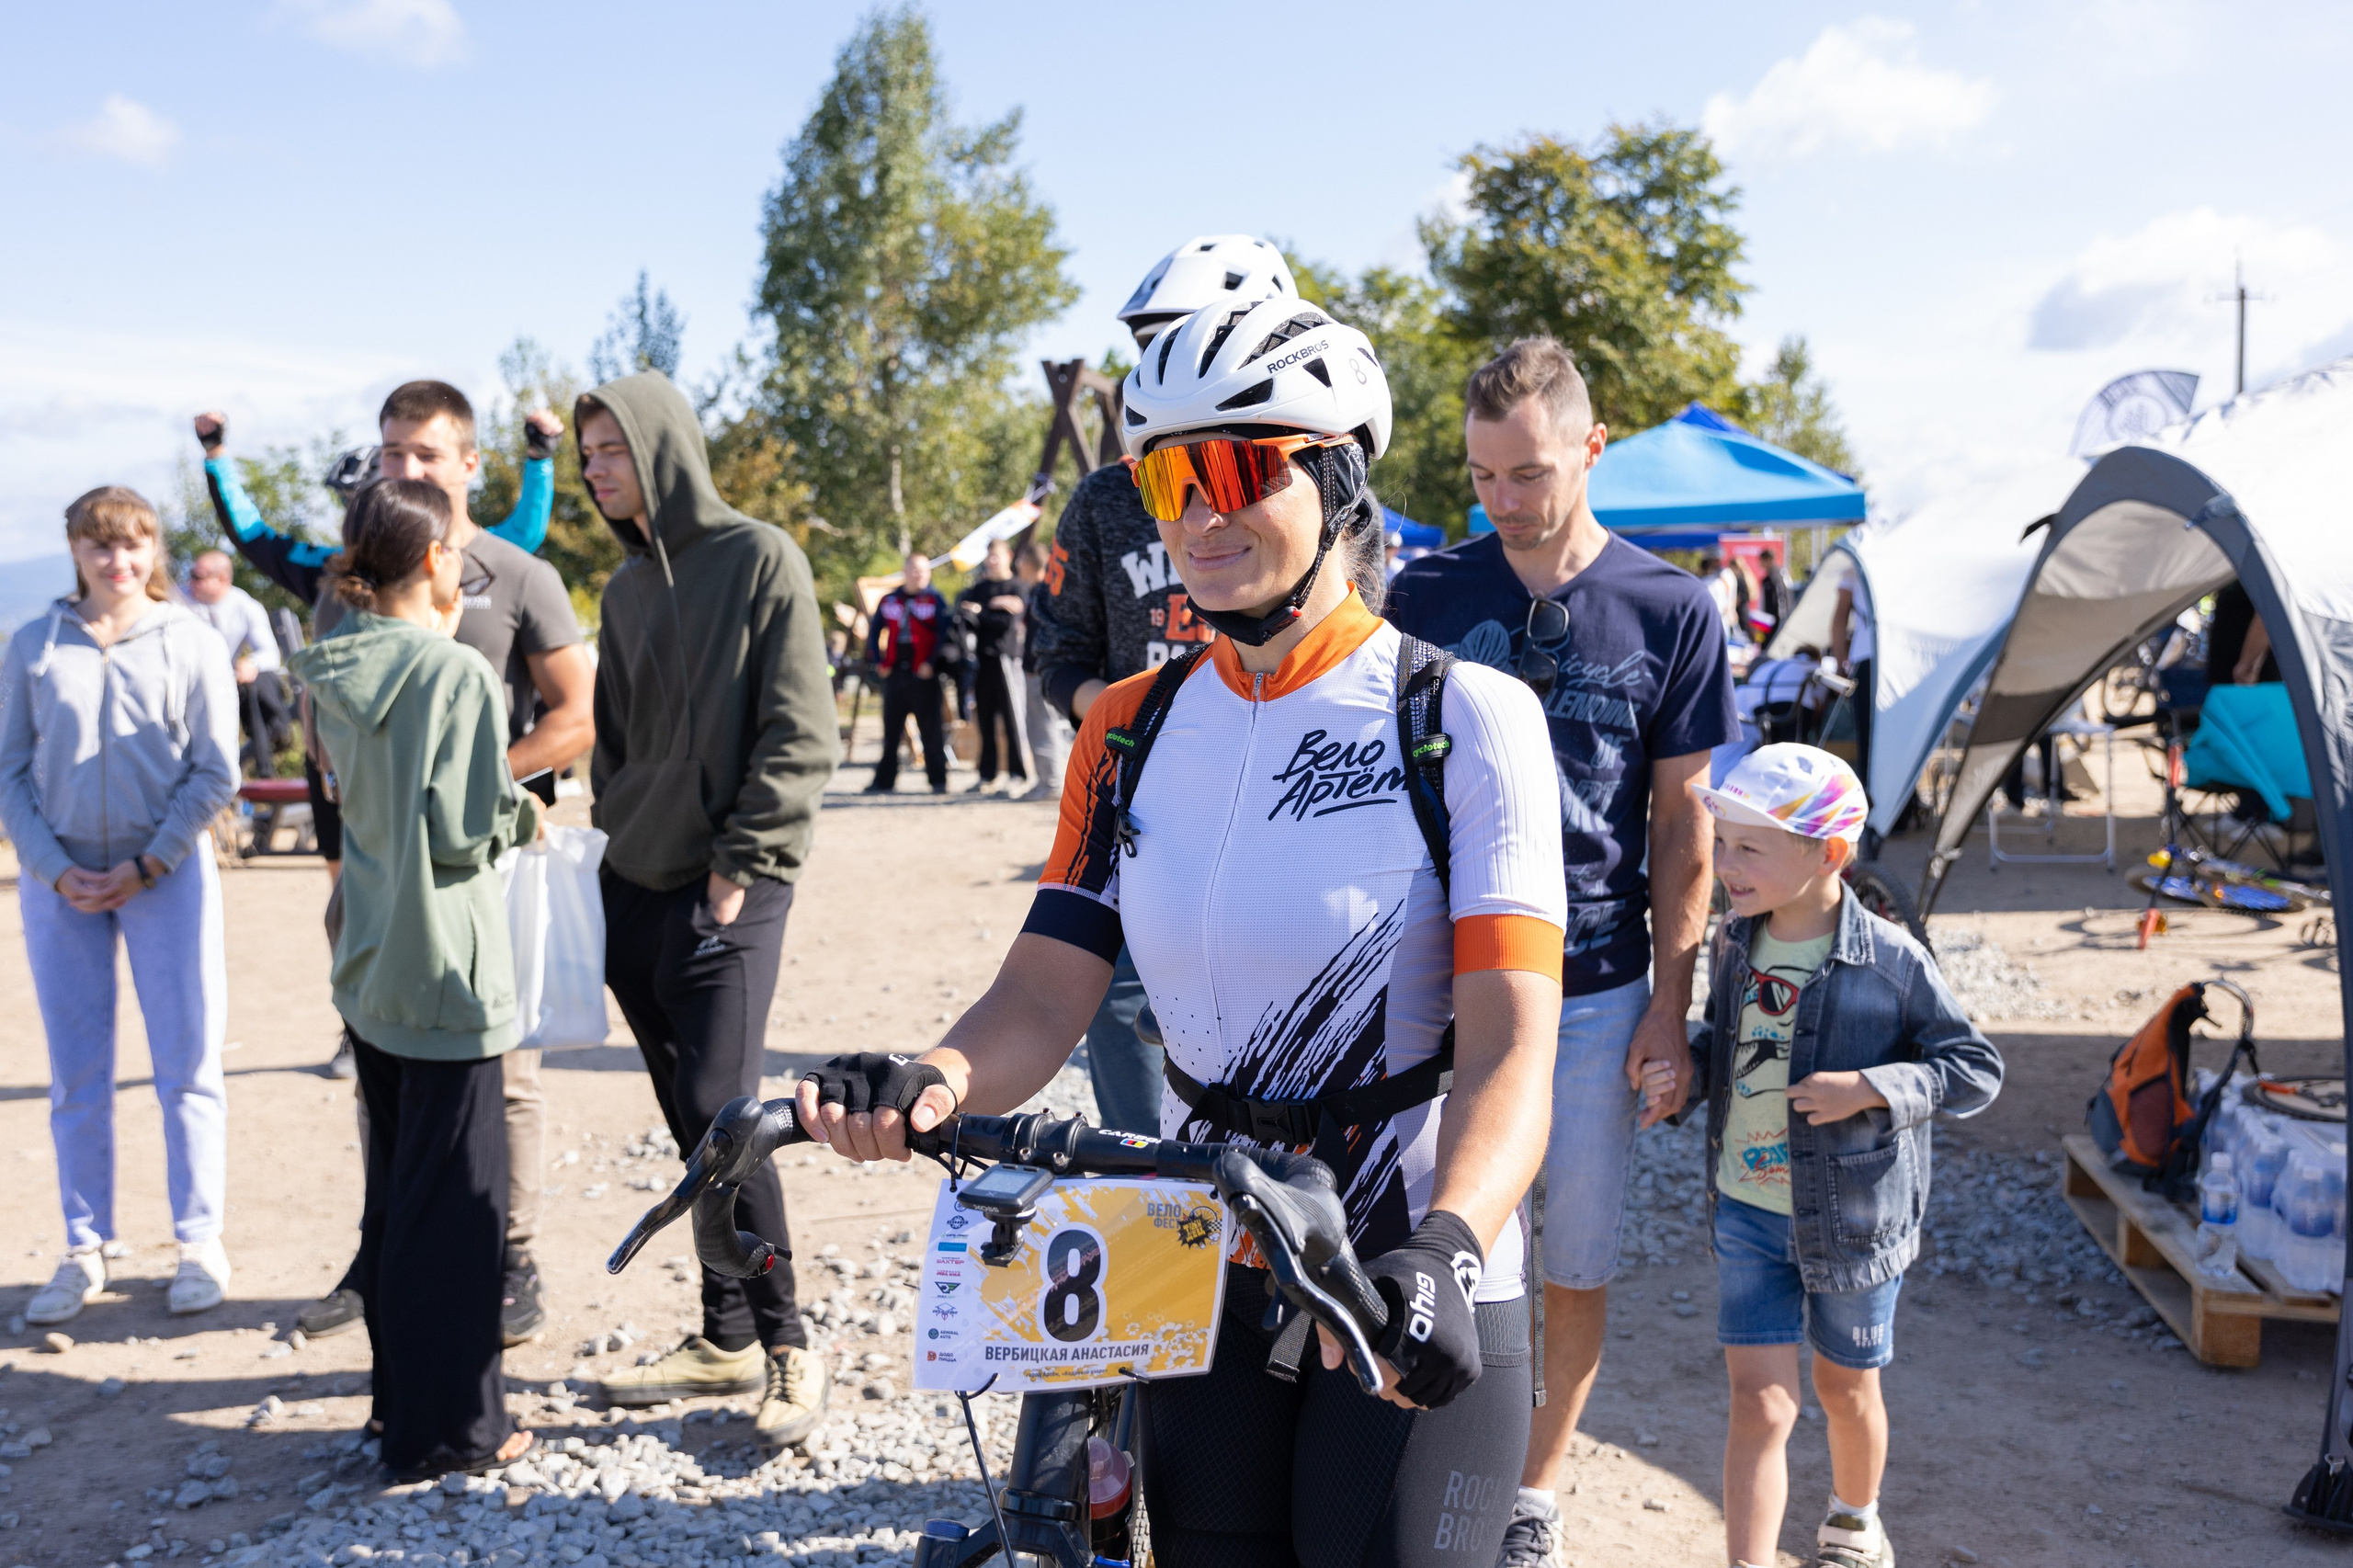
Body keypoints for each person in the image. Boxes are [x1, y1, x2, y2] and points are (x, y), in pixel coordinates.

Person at [798, 294, 1567, 1567]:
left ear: (1340, 480)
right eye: (1168, 476)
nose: (1199, 516)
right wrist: (932, 1076)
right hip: (1202, 1245)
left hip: (1408, 1254)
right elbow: (1045, 995)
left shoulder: (1462, 716)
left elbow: (1509, 1052)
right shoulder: (1131, 729)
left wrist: (1450, 1238)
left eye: (1240, 469)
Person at [1381, 335, 1738, 1567]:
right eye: (1485, 476)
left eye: (1529, 472)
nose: (1507, 501)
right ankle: (1421, 1468)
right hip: (1441, 991)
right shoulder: (1423, 595)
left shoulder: (1672, 609)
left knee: (1574, 1263)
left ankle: (1530, 1492)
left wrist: (1670, 1007)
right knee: (1431, 1237)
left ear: (1592, 449)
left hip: (1597, 992)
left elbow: (1683, 825)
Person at [199, 389, 591, 1345]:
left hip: (474, 872)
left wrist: (471, 782)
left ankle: (514, 1254)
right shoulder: (345, 574)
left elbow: (576, 715)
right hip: (370, 881)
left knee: (505, 1078)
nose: (403, 471)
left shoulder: (518, 570)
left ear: (467, 463)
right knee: (383, 1068)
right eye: (389, 453)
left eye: (423, 454)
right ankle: (384, 1251)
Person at [574, 369, 838, 1451]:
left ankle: (788, 1337)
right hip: (631, 887)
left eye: (611, 451)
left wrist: (744, 857)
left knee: (731, 1120)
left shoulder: (760, 557)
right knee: (692, 1125)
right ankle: (722, 1333)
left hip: (731, 881)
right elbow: (614, 744)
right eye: (584, 458)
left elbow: (799, 725)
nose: (595, 473)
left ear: (662, 447)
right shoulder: (625, 591)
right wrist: (609, 840)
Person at [1688, 744, 2002, 1568]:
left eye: (1750, 848)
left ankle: (1854, 1519)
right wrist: (1679, 1074)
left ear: (1828, 854)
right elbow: (1732, 1047)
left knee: (1845, 1388)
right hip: (1747, 1212)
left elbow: (1973, 1069)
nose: (1727, 865)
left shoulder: (1893, 961)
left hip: (1854, 1225)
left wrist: (1868, 1087)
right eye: (1723, 843)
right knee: (1759, 1404)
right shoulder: (1734, 941)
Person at [290, 478, 540, 1483]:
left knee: (397, 1198)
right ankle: (451, 1431)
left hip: (370, 959)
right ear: (437, 560)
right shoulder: (454, 671)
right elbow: (464, 822)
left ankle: (395, 1404)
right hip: (448, 969)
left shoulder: (330, 667)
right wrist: (525, 812)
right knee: (460, 1209)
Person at [1028, 233, 1296, 1135]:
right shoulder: (1107, 500)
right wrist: (1129, 724)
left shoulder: (1311, 487)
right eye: (1151, 346)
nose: (1166, 367)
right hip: (1144, 830)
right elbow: (1056, 653)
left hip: (1293, 824)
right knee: (1145, 1140)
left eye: (1188, 337)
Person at [5, 487, 240, 1326]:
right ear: (74, 550)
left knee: (188, 1064)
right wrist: (50, 866)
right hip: (60, 884)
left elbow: (217, 769)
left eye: (133, 545)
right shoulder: (35, 645)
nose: (118, 563)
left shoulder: (192, 640)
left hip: (166, 877)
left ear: (155, 550)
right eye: (100, 547)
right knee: (76, 1073)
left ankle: (200, 1241)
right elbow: (8, 768)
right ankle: (83, 1246)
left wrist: (151, 861)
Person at [184, 549, 291, 774]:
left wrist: (252, 662)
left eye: (198, 577)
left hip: (227, 683)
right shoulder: (176, 599)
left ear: (222, 579)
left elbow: (269, 654)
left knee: (259, 682)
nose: (190, 581)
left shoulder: (245, 606)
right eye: (190, 574)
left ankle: (274, 743)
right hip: (186, 683)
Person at [861, 552, 961, 795]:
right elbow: (874, 633)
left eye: (924, 571)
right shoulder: (890, 600)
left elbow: (944, 637)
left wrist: (932, 663)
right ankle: (884, 781)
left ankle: (938, 781)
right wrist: (878, 660)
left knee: (931, 731)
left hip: (925, 675)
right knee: (891, 732)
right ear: (905, 571)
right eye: (915, 570)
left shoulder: (936, 600)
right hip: (896, 673)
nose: (919, 575)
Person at [957, 539, 1029, 795]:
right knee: (984, 721)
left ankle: (1017, 774)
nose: (993, 560)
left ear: (1008, 556)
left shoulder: (1018, 586)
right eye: (989, 556)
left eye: (997, 555)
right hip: (981, 661)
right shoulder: (979, 589)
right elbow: (965, 615)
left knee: (1012, 720)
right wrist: (990, 607)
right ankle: (987, 774)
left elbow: (1006, 624)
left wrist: (981, 612)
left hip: (1006, 659)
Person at [1012, 540, 1067, 800]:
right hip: (1033, 668)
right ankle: (1043, 779)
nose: (1017, 565)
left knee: (1044, 725)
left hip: (1041, 669)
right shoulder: (1035, 590)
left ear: (1031, 563)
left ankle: (1052, 783)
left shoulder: (1047, 591)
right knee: (1035, 725)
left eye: (1021, 560)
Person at [1828, 554, 1874, 784]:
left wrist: (1840, 665)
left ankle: (1871, 797)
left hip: (1866, 659)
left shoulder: (1854, 568)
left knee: (1867, 737)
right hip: (1891, 660)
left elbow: (1838, 621)